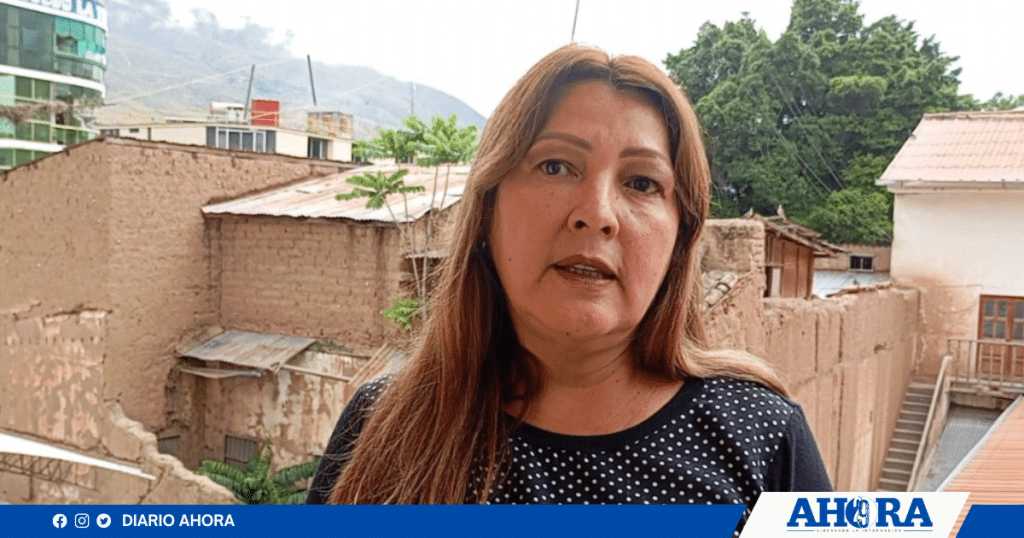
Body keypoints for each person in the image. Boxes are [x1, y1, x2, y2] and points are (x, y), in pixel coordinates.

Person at [307, 43, 831, 525]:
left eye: (641, 182)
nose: (597, 214)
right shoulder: (384, 425)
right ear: (488, 209)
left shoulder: (763, 436)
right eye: (555, 166)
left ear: (680, 237)